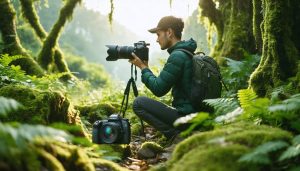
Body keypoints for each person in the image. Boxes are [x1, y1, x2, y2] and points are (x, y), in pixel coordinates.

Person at [129, 16, 197, 140]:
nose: (157, 39)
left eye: (158, 34)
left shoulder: (178, 56)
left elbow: (159, 89)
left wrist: (143, 68)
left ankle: (176, 137)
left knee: (139, 103)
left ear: (169, 32)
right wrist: (145, 67)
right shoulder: (187, 52)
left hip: (187, 118)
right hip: (197, 116)